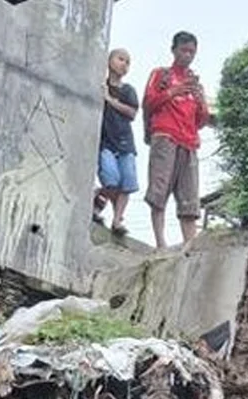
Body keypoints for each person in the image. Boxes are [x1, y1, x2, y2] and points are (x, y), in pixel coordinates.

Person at [143, 30, 212, 251]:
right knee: (159, 191)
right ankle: (160, 242)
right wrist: (173, 91)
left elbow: (201, 121)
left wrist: (201, 101)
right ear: (174, 50)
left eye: (192, 51)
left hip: (189, 143)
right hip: (165, 137)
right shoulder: (161, 75)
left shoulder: (195, 84)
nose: (188, 55)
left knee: (190, 198)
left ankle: (189, 246)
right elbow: (149, 104)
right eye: (184, 50)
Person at [94, 48, 139, 238]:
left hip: (125, 143)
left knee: (128, 182)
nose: (124, 64)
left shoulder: (128, 90)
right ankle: (97, 195)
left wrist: (110, 100)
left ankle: (117, 219)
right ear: (109, 61)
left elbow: (132, 113)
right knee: (111, 178)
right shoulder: (99, 85)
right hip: (105, 142)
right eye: (121, 59)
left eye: (127, 62)